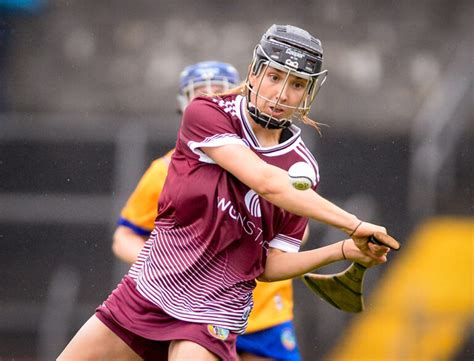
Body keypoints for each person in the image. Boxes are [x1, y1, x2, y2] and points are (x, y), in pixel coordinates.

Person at [58, 24, 391, 361]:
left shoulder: (303, 169)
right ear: (254, 73)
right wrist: (353, 223)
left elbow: (269, 266)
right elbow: (266, 182)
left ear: (308, 92)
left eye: (297, 84)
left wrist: (343, 249)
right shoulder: (207, 113)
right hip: (148, 292)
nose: (281, 94)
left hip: (214, 313)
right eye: (275, 77)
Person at [112, 60, 307, 361]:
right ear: (184, 105)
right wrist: (175, 266)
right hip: (192, 312)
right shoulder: (165, 170)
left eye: (220, 91)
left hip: (263, 314)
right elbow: (124, 236)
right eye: (199, 93)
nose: (210, 99)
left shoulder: (267, 165)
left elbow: (298, 232)